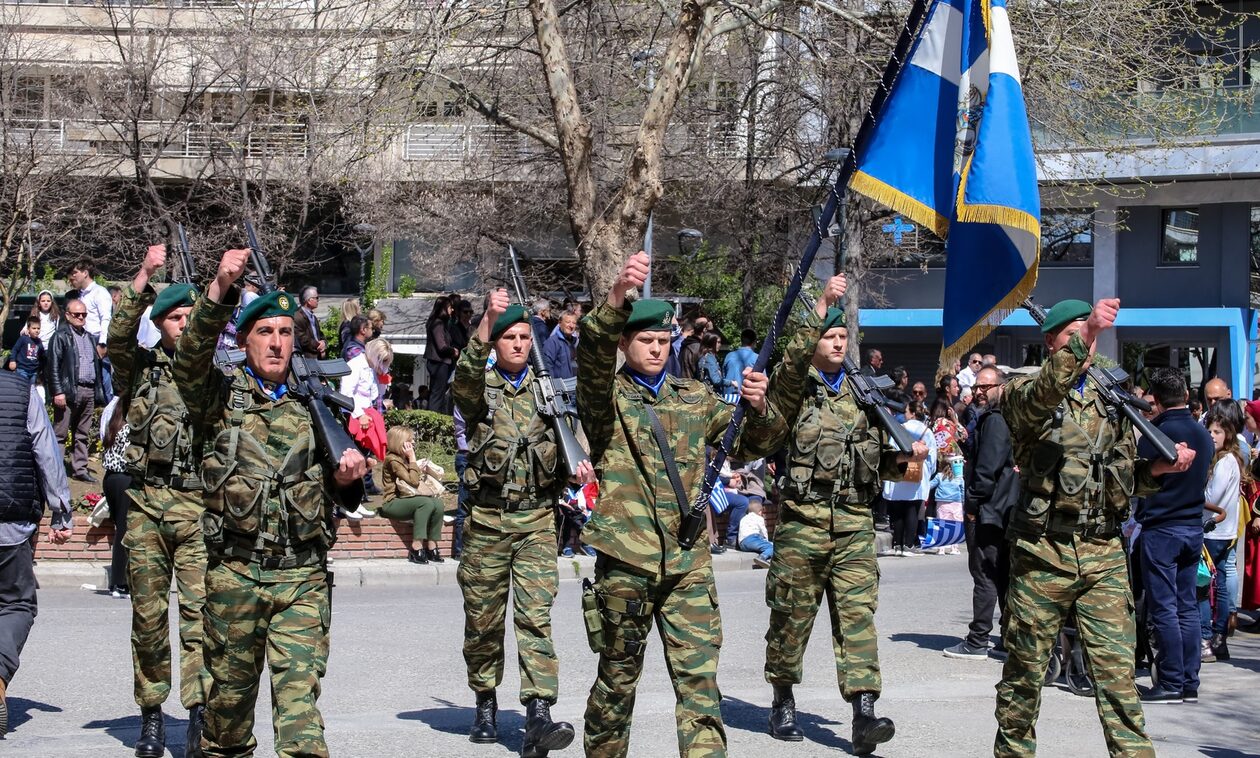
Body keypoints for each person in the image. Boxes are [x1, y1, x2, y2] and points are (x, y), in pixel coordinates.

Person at [577, 251, 786, 757]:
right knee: (617, 682)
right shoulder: (606, 398)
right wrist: (616, 297)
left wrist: (760, 406)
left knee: (700, 685)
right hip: (627, 560)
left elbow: (755, 442)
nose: (656, 349)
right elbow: (592, 353)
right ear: (624, 343)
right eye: (645, 340)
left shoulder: (695, 396)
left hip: (688, 562)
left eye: (663, 341)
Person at [173, 247, 367, 758]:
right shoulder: (219, 399)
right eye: (265, 331)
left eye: (285, 332)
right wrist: (220, 288)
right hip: (235, 577)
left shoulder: (315, 403)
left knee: (302, 721)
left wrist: (349, 478)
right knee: (228, 722)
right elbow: (189, 360)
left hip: (302, 579)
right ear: (244, 341)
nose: (277, 342)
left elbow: (346, 493)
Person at [996, 298, 1196, 756]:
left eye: (1088, 334)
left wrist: (1157, 471)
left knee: (1117, 677)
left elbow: (1120, 477)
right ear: (1050, 342)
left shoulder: (1111, 399)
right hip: (1043, 552)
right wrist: (1087, 332)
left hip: (1103, 551)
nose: (1085, 342)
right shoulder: (1023, 393)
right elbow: (1044, 392)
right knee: (1024, 674)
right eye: (1073, 334)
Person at [760, 273, 927, 752]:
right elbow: (789, 364)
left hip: (854, 524)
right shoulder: (794, 389)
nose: (836, 343)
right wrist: (820, 304)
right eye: (828, 335)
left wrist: (906, 459)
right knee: (791, 618)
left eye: (841, 336)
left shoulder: (864, 394)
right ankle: (783, 699)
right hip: (803, 522)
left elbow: (876, 460)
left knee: (858, 619)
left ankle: (864, 712)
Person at [451, 291, 584, 758]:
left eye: (526, 337)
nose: (519, 344)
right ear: (496, 342)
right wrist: (485, 323)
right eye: (510, 337)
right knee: (483, 621)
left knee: (535, 618)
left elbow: (571, 441)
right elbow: (464, 378)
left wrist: (578, 466)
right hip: (488, 522)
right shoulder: (480, 389)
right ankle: (485, 702)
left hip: (537, 522)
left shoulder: (549, 392)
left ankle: (539, 713)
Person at [107, 245, 212, 758]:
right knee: (148, 619)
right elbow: (117, 336)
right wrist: (145, 274)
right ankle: (151, 715)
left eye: (191, 315)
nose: (184, 323)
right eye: (175, 317)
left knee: (200, 617)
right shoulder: (140, 368)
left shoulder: (210, 371)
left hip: (197, 508)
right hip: (148, 505)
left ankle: (198, 715)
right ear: (160, 323)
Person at [1133, 367, 1214, 704]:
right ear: (1186, 394)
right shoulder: (1202, 433)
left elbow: (1139, 480)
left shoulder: (1155, 434)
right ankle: (1188, 680)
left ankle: (1171, 681)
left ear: (1156, 398)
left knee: (1164, 608)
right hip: (1192, 526)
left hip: (1162, 527)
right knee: (1187, 606)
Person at [0, 371, 73, 737]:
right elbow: (45, 450)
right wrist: (61, 510)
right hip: (10, 521)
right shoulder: (21, 390)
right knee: (16, 604)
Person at [944, 365, 1017, 660]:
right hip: (1000, 508)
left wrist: (973, 505)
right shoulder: (997, 418)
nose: (979, 392)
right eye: (976, 387)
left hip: (991, 510)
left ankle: (978, 639)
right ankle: (1008, 639)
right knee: (1001, 574)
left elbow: (987, 469)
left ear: (1002, 387)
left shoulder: (996, 419)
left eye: (986, 386)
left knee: (985, 573)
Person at [1201, 407, 1245, 662]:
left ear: (1228, 434)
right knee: (1217, 583)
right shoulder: (1224, 460)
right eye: (1209, 431)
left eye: (1217, 432)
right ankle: (1218, 637)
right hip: (1221, 531)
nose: (1212, 436)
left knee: (1204, 584)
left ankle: (1207, 637)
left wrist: (1195, 490)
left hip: (1215, 531)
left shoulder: (1225, 462)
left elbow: (1212, 497)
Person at [47, 296, 105, 482]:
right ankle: (55, 471)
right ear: (67, 315)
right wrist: (58, 392)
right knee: (60, 433)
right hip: (68, 391)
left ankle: (80, 469)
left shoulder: (89, 337)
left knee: (83, 433)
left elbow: (96, 365)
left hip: (88, 390)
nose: (81, 317)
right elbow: (53, 366)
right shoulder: (60, 336)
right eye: (77, 314)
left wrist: (97, 392)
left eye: (84, 314)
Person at [380, 426, 447, 564]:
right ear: (400, 442)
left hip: (407, 499)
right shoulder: (392, 460)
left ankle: (432, 546)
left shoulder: (403, 458)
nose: (413, 443)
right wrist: (412, 458)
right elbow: (414, 481)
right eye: (410, 440)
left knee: (438, 504)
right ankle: (416, 547)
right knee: (425, 503)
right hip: (392, 503)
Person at [883, 401, 937, 558]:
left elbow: (892, 449)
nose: (904, 414)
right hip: (918, 472)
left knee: (898, 508)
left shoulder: (900, 428)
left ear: (912, 413)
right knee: (912, 508)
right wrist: (928, 471)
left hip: (899, 470)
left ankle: (897, 544)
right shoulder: (926, 431)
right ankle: (909, 544)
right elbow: (932, 456)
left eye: (906, 411)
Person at [99, 392, 132, 599]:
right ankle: (120, 583)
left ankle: (117, 582)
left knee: (121, 529)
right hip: (124, 479)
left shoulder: (114, 422)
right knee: (124, 531)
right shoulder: (130, 428)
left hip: (110, 479)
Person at [68, 259, 112, 359]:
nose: (73, 276)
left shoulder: (100, 292)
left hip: (96, 339)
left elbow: (106, 318)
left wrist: (102, 343)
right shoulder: (79, 294)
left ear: (85, 273)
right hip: (82, 338)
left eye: (75, 272)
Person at [424, 297, 457, 414]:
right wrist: (453, 351)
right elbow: (441, 346)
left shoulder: (438, 323)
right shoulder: (438, 324)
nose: (452, 310)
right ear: (444, 308)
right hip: (438, 362)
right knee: (437, 393)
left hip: (439, 362)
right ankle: (434, 417)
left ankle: (436, 415)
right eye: (449, 307)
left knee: (439, 393)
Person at [930, 455, 965, 555]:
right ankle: (954, 548)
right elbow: (963, 490)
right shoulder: (959, 478)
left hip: (942, 502)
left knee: (941, 524)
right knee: (956, 525)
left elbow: (930, 485)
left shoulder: (939, 476)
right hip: (956, 503)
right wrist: (963, 502)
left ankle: (941, 549)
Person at [7, 317, 45, 386]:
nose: (36, 330)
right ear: (28, 329)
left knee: (32, 388)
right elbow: (15, 349)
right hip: (22, 369)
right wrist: (12, 360)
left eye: (38, 328)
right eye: (34, 328)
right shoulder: (23, 338)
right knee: (22, 387)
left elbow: (41, 354)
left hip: (33, 371)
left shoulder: (39, 341)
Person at [542, 309, 579, 380]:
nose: (571, 326)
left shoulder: (575, 342)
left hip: (574, 383)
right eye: (568, 322)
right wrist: (553, 384)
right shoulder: (552, 342)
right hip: (561, 385)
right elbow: (547, 366)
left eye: (574, 323)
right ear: (559, 322)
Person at [737, 499, 773, 568]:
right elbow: (764, 531)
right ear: (760, 512)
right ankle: (762, 557)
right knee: (771, 547)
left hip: (742, 544)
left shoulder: (743, 518)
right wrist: (766, 540)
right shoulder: (759, 518)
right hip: (753, 539)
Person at [292, 286, 326, 359]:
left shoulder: (313, 317)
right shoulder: (297, 317)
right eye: (316, 298)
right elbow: (303, 340)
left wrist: (323, 342)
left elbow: (320, 335)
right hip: (307, 359)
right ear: (309, 300)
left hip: (317, 358)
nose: (318, 300)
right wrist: (319, 346)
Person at [722, 328, 758, 393]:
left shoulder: (729, 356)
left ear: (741, 340)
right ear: (754, 342)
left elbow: (723, 377)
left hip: (728, 397)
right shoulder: (757, 358)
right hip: (746, 396)